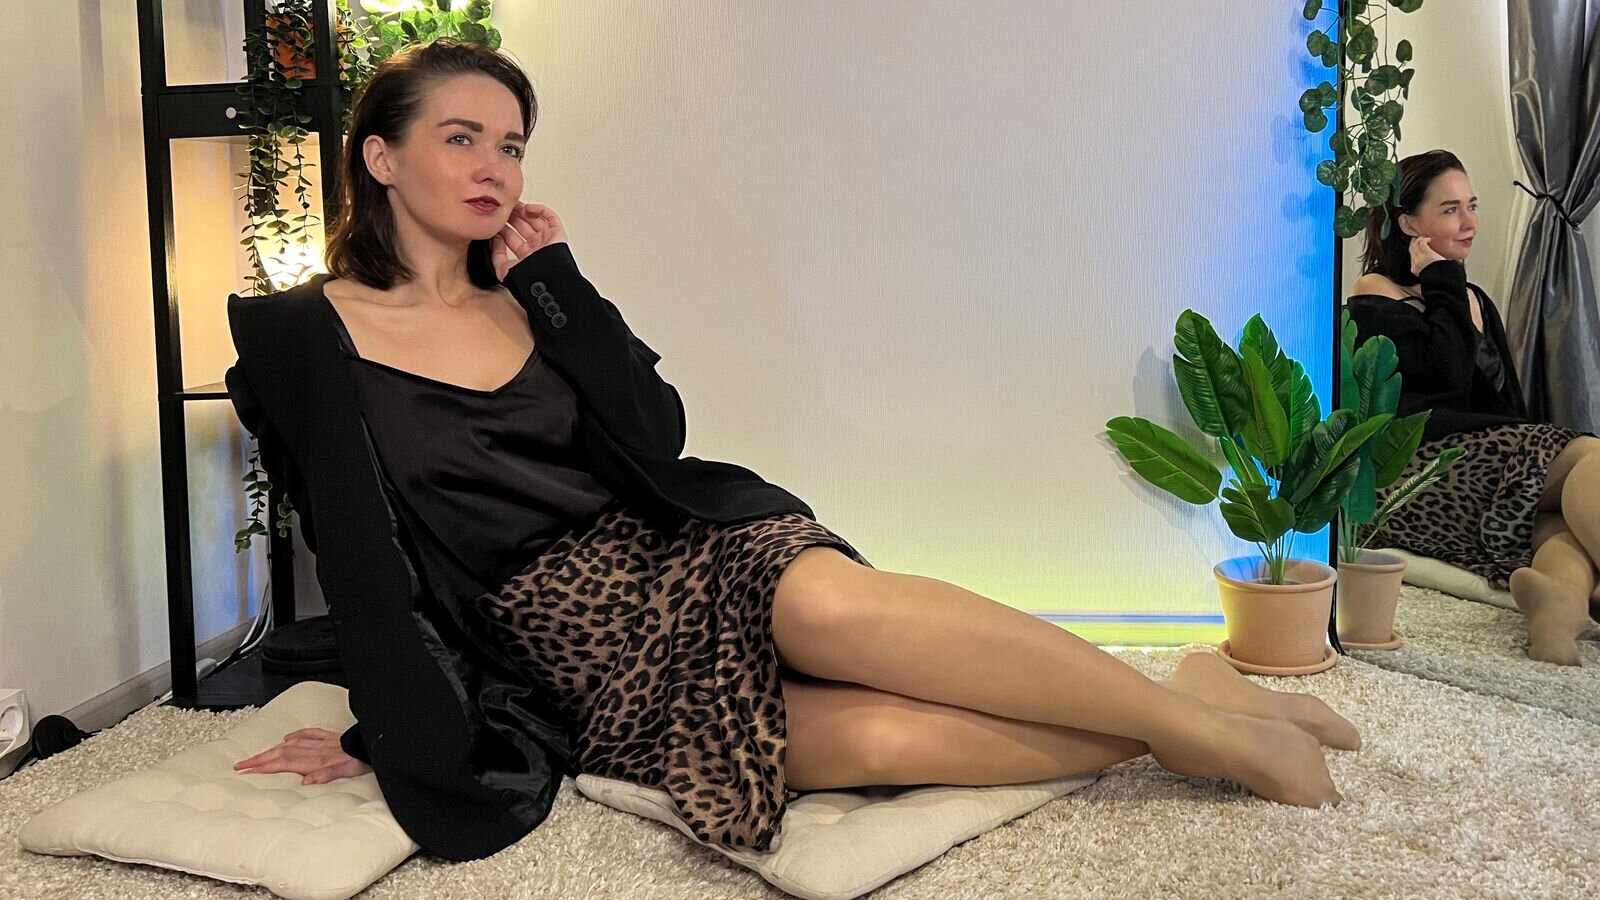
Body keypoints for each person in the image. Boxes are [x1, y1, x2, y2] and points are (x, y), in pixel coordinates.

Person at [226, 38, 1357, 861]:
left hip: (681, 553)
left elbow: (654, 436)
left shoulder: (535, 296)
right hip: (570, 655)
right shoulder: (306, 338)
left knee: (828, 610)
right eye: (460, 138)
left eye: (511, 145)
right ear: (380, 158)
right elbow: (362, 560)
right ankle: (1188, 707)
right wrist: (391, 726)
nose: (494, 167)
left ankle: (1202, 729)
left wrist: (557, 283)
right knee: (874, 741)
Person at [1346, 149, 1600, 666]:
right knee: (1590, 455)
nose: (1470, 222)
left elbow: (1504, 407)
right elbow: (1447, 375)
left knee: (1555, 521)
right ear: (1409, 224)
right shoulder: (1375, 293)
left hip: (1488, 464)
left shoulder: (1474, 298)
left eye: (1472, 205)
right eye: (1450, 209)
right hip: (1417, 470)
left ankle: (1560, 606)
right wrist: (1441, 279)